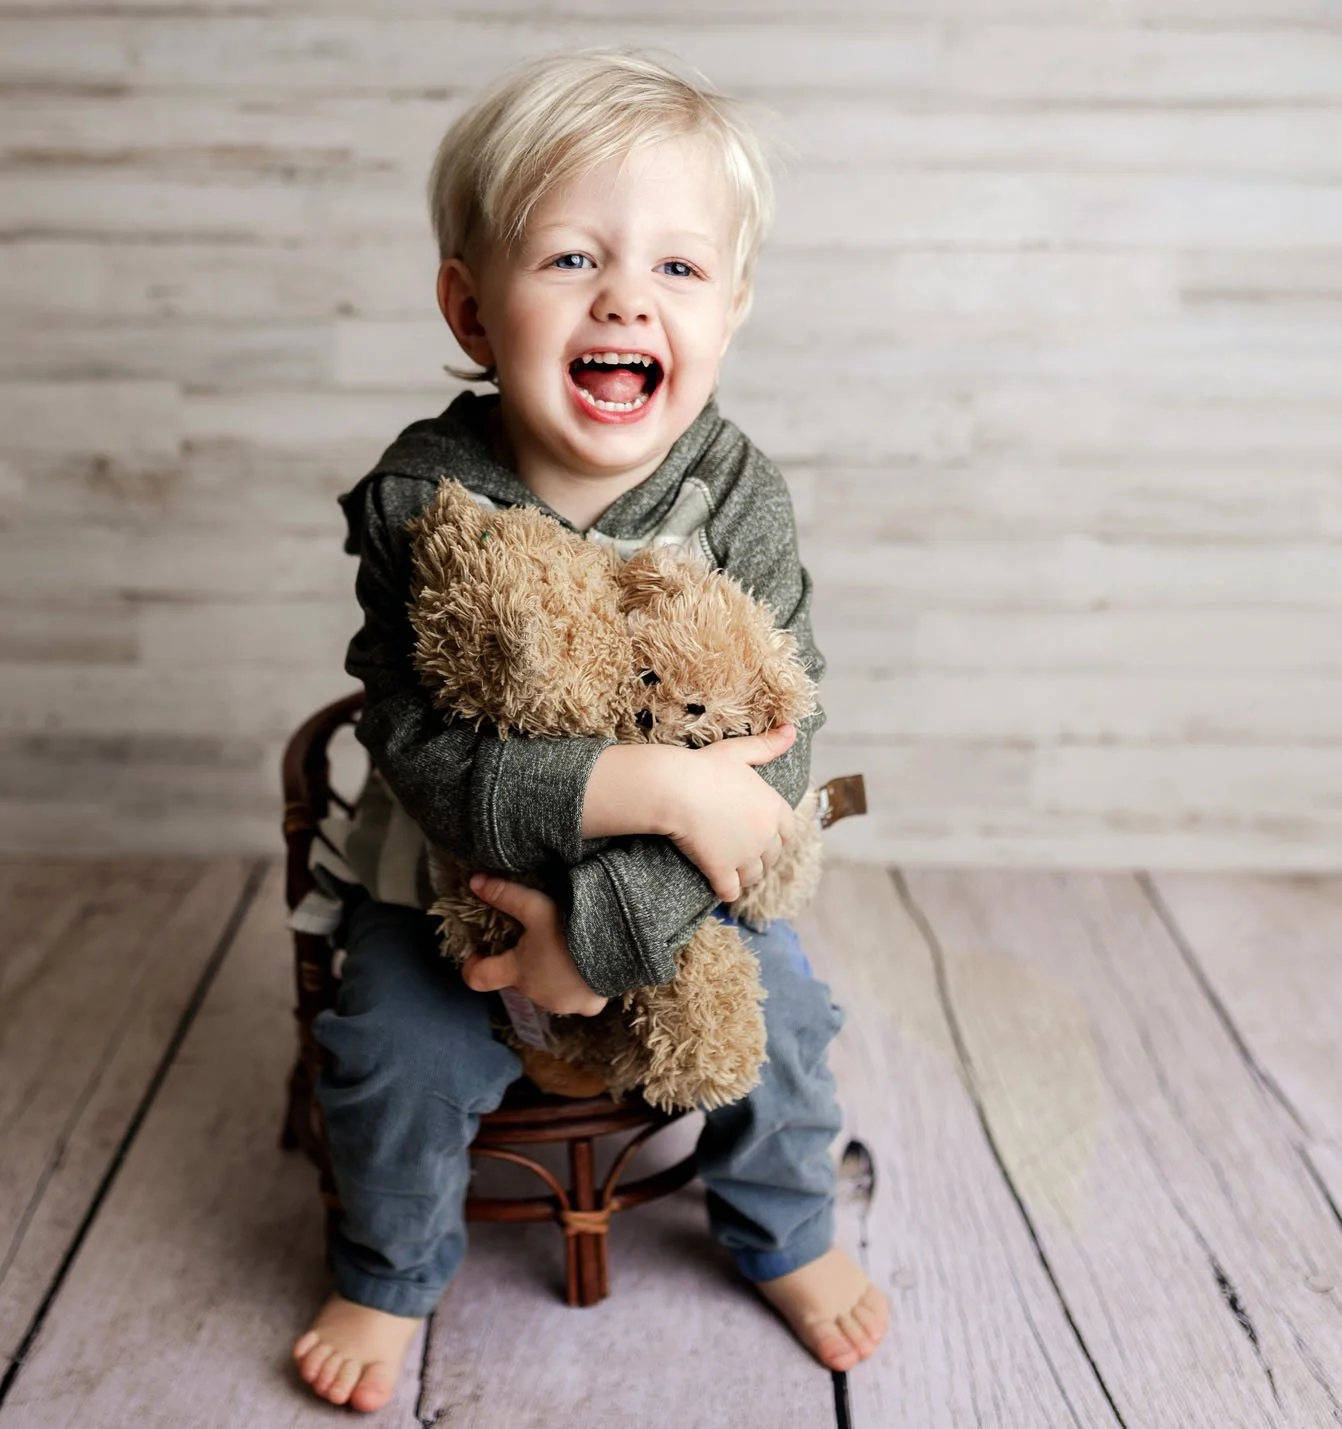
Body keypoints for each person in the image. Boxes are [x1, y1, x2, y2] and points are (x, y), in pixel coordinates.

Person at [292, 49, 890, 1413]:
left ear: (729, 315)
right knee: (390, 1052)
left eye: (679, 270)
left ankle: (784, 1227)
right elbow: (433, 761)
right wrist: (654, 787)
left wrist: (605, 934)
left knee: (785, 1024)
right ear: (469, 304)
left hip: (682, 891)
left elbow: (775, 747)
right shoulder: (423, 503)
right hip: (455, 880)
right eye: (569, 259)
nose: (626, 294)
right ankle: (388, 1269)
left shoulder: (735, 493)